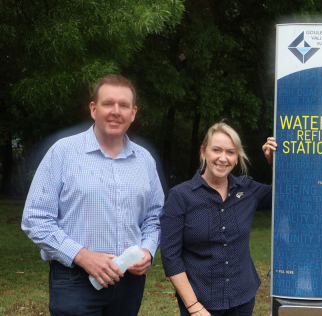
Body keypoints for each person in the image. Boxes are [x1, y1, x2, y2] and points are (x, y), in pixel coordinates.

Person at [22, 75, 164, 316]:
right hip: (75, 280)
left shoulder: (144, 161)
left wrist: (148, 251)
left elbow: (155, 216)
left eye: (124, 105)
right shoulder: (63, 153)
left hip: (129, 282)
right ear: (93, 108)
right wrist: (82, 256)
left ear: (133, 113)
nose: (115, 111)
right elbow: (35, 218)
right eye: (108, 103)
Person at [160, 124, 276, 316]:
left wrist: (275, 164)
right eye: (216, 150)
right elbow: (171, 256)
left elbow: (289, 195)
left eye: (230, 152)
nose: (223, 158)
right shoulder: (180, 196)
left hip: (242, 299)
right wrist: (193, 306)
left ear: (237, 157)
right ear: (204, 151)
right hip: (200, 304)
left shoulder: (247, 190)